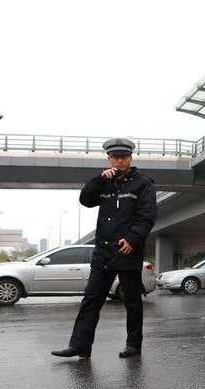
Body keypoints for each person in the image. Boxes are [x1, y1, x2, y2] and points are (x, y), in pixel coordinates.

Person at [51, 138, 157, 359]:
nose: (119, 161)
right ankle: (80, 345)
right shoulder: (104, 181)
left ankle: (133, 345)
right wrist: (98, 180)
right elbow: (85, 200)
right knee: (91, 300)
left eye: (123, 157)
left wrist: (132, 240)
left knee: (132, 301)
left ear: (130, 158)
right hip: (103, 253)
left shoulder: (143, 184)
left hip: (128, 251)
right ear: (109, 159)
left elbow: (147, 217)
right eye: (114, 158)